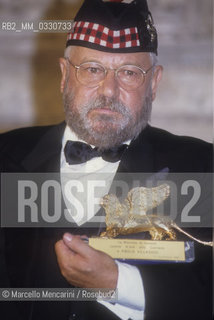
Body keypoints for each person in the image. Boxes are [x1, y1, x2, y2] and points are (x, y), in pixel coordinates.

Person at [0, 1, 212, 320]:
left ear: (153, 83)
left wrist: (117, 282)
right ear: (63, 75)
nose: (108, 90)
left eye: (128, 72)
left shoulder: (201, 167)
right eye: (92, 69)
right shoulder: (5, 157)